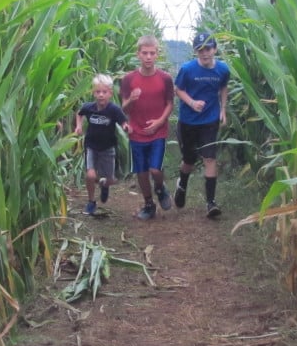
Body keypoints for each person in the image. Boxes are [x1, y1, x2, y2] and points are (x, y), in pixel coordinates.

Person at [174, 32, 231, 218]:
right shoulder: (187, 69)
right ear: (195, 51)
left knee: (209, 158)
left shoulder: (222, 70)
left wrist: (223, 109)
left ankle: (211, 203)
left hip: (210, 121)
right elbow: (178, 89)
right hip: (188, 121)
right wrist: (192, 103)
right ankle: (181, 184)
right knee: (189, 160)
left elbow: (223, 87)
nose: (204, 53)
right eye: (200, 49)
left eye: (208, 48)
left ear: (214, 49)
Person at [120, 35, 175, 220]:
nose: (148, 57)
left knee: (155, 170)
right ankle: (149, 204)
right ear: (138, 54)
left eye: (152, 53)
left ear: (157, 55)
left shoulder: (165, 79)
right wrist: (131, 100)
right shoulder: (128, 80)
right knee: (142, 172)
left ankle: (160, 188)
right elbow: (124, 108)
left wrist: (159, 122)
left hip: (158, 132)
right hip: (137, 132)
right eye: (145, 53)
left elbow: (170, 104)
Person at [74, 74, 130, 215]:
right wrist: (79, 126)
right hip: (91, 146)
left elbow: (123, 121)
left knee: (109, 180)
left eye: (104, 92)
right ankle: (91, 202)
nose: (101, 95)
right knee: (91, 176)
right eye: (98, 92)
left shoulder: (113, 109)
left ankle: (105, 185)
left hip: (108, 148)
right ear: (94, 93)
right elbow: (79, 113)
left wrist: (126, 127)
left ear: (110, 94)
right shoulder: (89, 107)